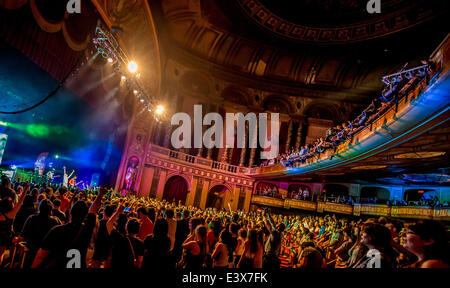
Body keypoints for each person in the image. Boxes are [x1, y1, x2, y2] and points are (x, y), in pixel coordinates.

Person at [31, 187, 106, 268]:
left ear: (70, 212)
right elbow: (92, 211)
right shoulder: (86, 230)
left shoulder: (57, 230)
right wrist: (100, 194)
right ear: (85, 216)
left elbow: (41, 255)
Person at [20, 199, 60, 268]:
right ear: (51, 209)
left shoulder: (32, 218)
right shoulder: (55, 221)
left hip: (31, 252)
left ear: (39, 207)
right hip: (48, 255)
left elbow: (22, 236)